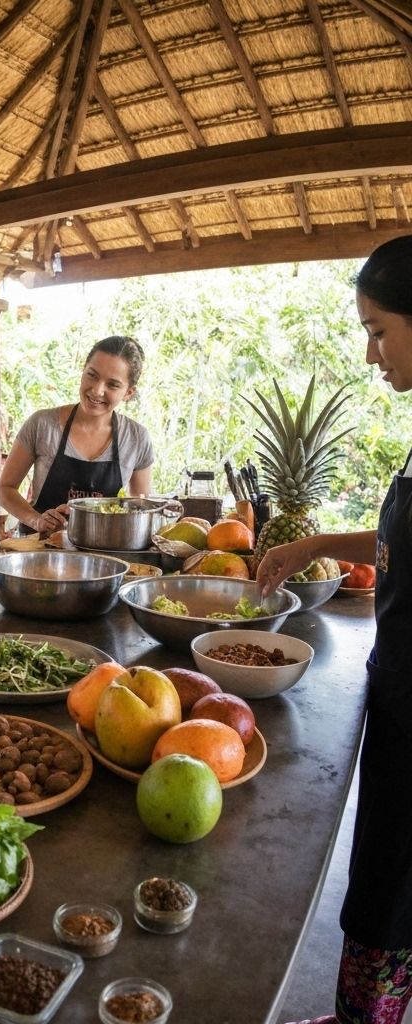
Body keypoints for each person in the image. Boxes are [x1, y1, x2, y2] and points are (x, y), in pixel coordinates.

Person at [257, 235, 412, 1024]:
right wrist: (317, 543)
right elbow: (397, 544)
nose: (369, 351)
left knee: (395, 885)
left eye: (379, 328)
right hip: (397, 689)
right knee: (384, 881)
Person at [0, 335, 154, 536]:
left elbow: (140, 509)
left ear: (129, 392)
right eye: (92, 375)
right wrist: (37, 521)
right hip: (38, 552)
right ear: (83, 371)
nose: (97, 391)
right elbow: (5, 489)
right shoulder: (42, 424)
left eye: (113, 385)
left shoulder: (136, 438)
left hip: (102, 557)